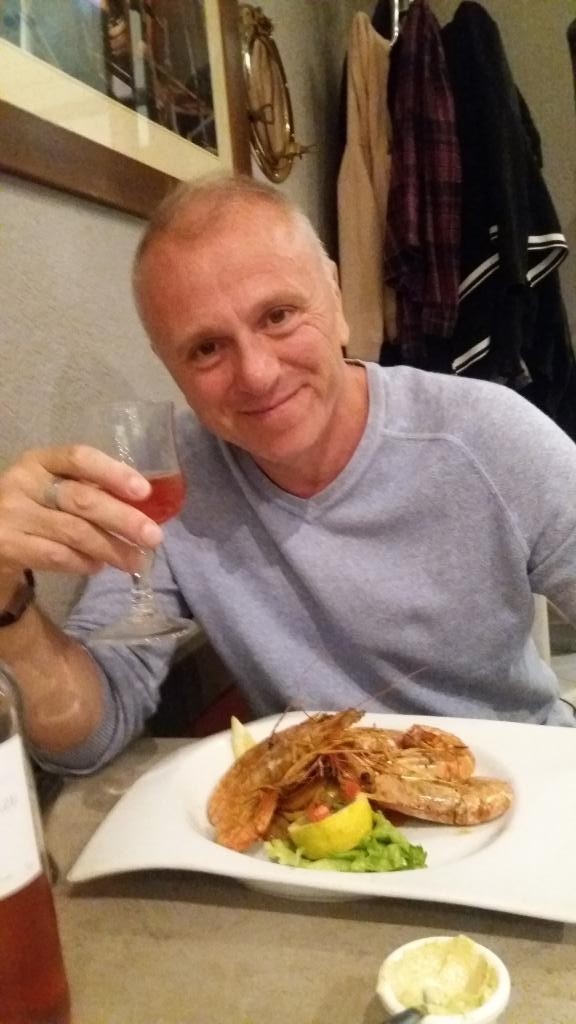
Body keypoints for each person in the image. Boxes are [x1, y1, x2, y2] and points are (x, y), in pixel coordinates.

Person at [0, 174, 575, 776]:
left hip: (522, 787)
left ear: (336, 299)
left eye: (278, 315)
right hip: (322, 815)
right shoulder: (163, 482)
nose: (258, 374)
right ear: (168, 364)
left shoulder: (488, 436)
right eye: (206, 348)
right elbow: (87, 737)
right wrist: (6, 599)